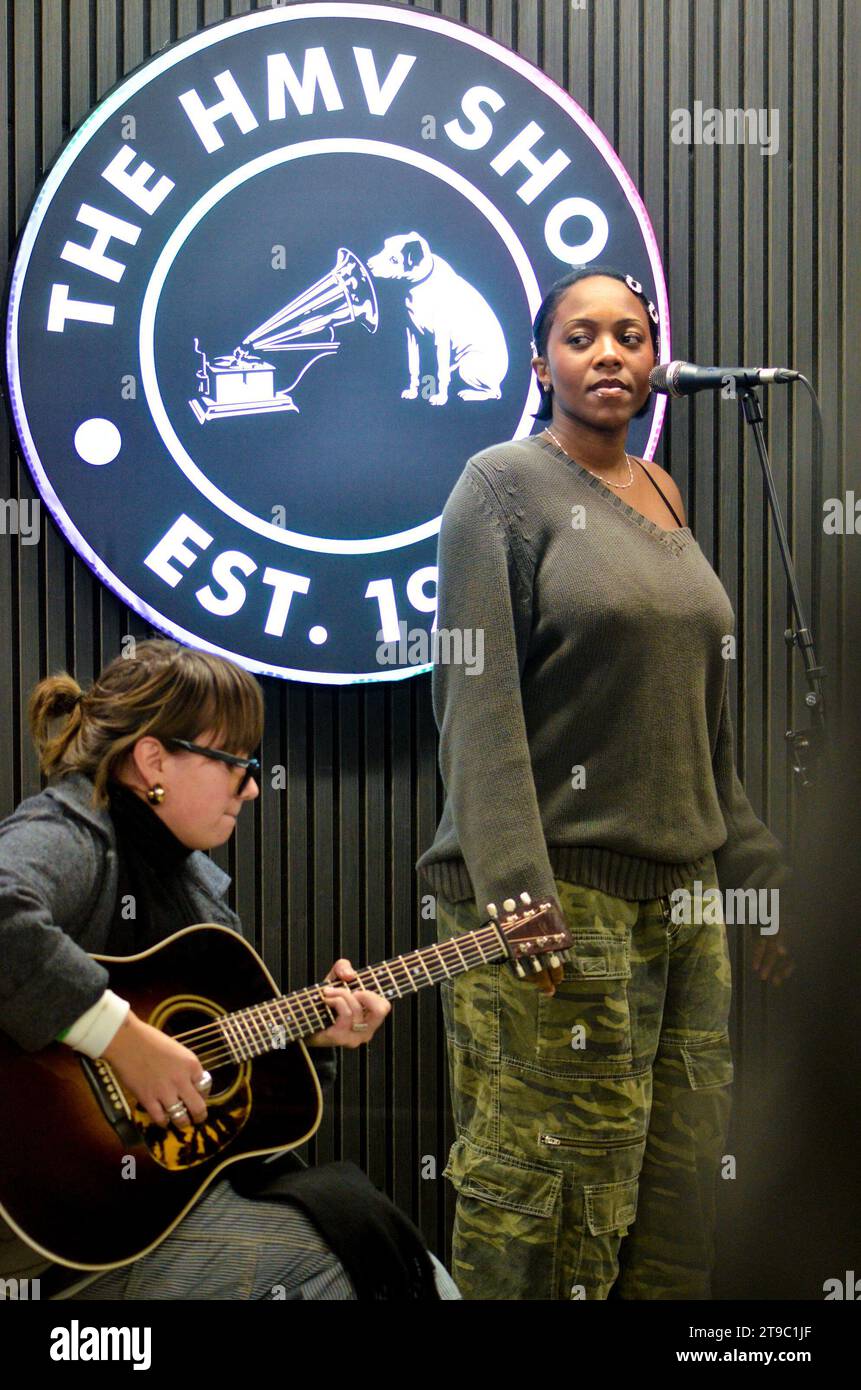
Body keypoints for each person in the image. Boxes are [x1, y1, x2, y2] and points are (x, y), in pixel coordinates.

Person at [416, 265, 794, 1300]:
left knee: (675, 1193)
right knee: (545, 1200)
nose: (610, 355)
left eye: (629, 336)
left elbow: (701, 715)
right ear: (540, 364)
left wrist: (754, 869)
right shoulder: (497, 486)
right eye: (581, 338)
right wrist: (515, 891)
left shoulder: (663, 493)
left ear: (654, 360)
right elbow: (474, 702)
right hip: (552, 900)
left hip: (685, 899)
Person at [0, 638, 459, 1300]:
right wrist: (121, 1039)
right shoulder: (72, 833)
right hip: (47, 1235)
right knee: (345, 1260)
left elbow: (226, 1096)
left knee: (397, 1254)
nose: (250, 785)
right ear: (153, 758)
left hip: (146, 1217)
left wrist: (310, 1037)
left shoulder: (202, 895)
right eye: (233, 762)